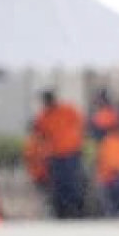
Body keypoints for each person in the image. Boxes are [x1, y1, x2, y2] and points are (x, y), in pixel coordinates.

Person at [33, 89, 86, 219]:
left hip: (71, 153)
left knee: (73, 184)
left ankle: (76, 211)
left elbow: (81, 124)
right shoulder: (44, 116)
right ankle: (62, 212)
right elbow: (40, 134)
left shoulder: (67, 110)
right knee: (59, 185)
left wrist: (76, 139)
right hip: (56, 156)